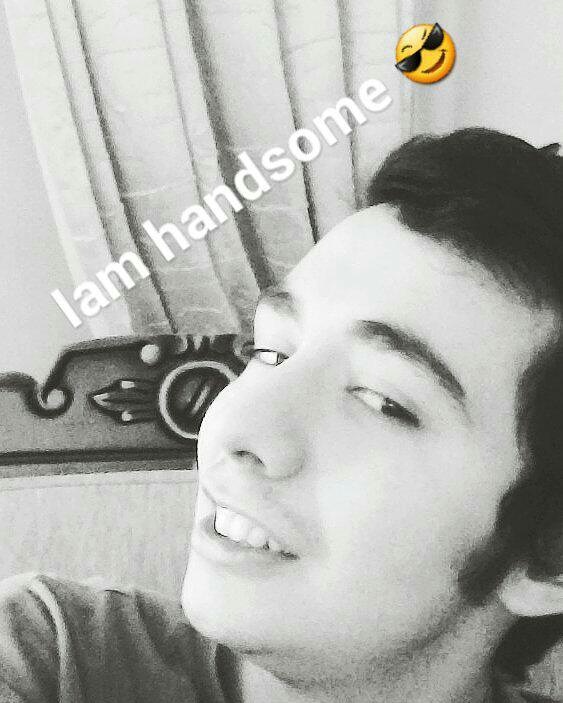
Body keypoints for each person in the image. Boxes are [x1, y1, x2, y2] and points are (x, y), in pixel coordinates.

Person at [2, 128, 563, 703]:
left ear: (548, 556)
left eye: (383, 401)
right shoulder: (51, 654)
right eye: (269, 351)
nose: (233, 428)